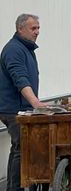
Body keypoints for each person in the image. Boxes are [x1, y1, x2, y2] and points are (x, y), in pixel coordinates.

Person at [0, 14, 47, 191]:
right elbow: (20, 78)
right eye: (33, 28)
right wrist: (36, 102)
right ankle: (15, 188)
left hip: (19, 107)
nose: (37, 32)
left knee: (18, 148)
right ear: (20, 29)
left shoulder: (25, 48)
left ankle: (14, 187)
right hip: (14, 109)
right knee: (22, 149)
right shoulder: (14, 49)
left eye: (38, 28)